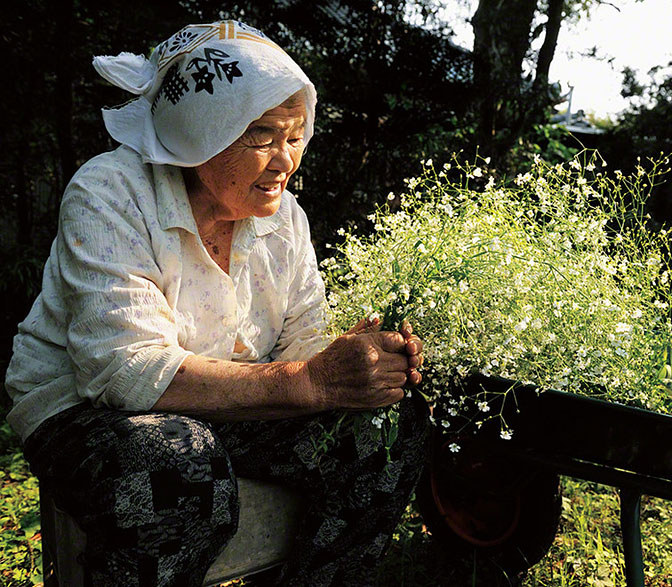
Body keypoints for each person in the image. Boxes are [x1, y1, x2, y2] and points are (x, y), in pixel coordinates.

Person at [5, 20, 427, 586]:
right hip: (83, 408)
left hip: (228, 400)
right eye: (263, 136)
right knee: (177, 462)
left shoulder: (285, 218)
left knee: (388, 429)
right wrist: (310, 380)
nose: (285, 160)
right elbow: (124, 374)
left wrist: (351, 362)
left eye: (295, 136)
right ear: (200, 132)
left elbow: (302, 344)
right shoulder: (109, 192)